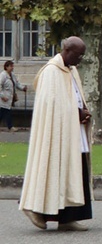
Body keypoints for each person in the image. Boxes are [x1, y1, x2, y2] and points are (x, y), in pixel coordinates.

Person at [19, 36, 92, 231]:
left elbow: (74, 96)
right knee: (52, 167)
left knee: (74, 171)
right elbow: (51, 106)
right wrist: (76, 113)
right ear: (67, 51)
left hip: (74, 131)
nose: (80, 59)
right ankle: (37, 209)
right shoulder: (51, 72)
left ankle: (68, 217)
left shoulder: (71, 70)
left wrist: (83, 111)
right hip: (58, 132)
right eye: (78, 55)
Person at [0, 60, 27, 132]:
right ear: (6, 67)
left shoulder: (12, 75)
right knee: (7, 112)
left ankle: (10, 126)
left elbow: (17, 84)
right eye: (11, 66)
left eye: (12, 66)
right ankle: (10, 127)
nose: (12, 68)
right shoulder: (3, 75)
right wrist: (2, 96)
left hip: (9, 98)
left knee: (3, 112)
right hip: (4, 98)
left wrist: (23, 88)